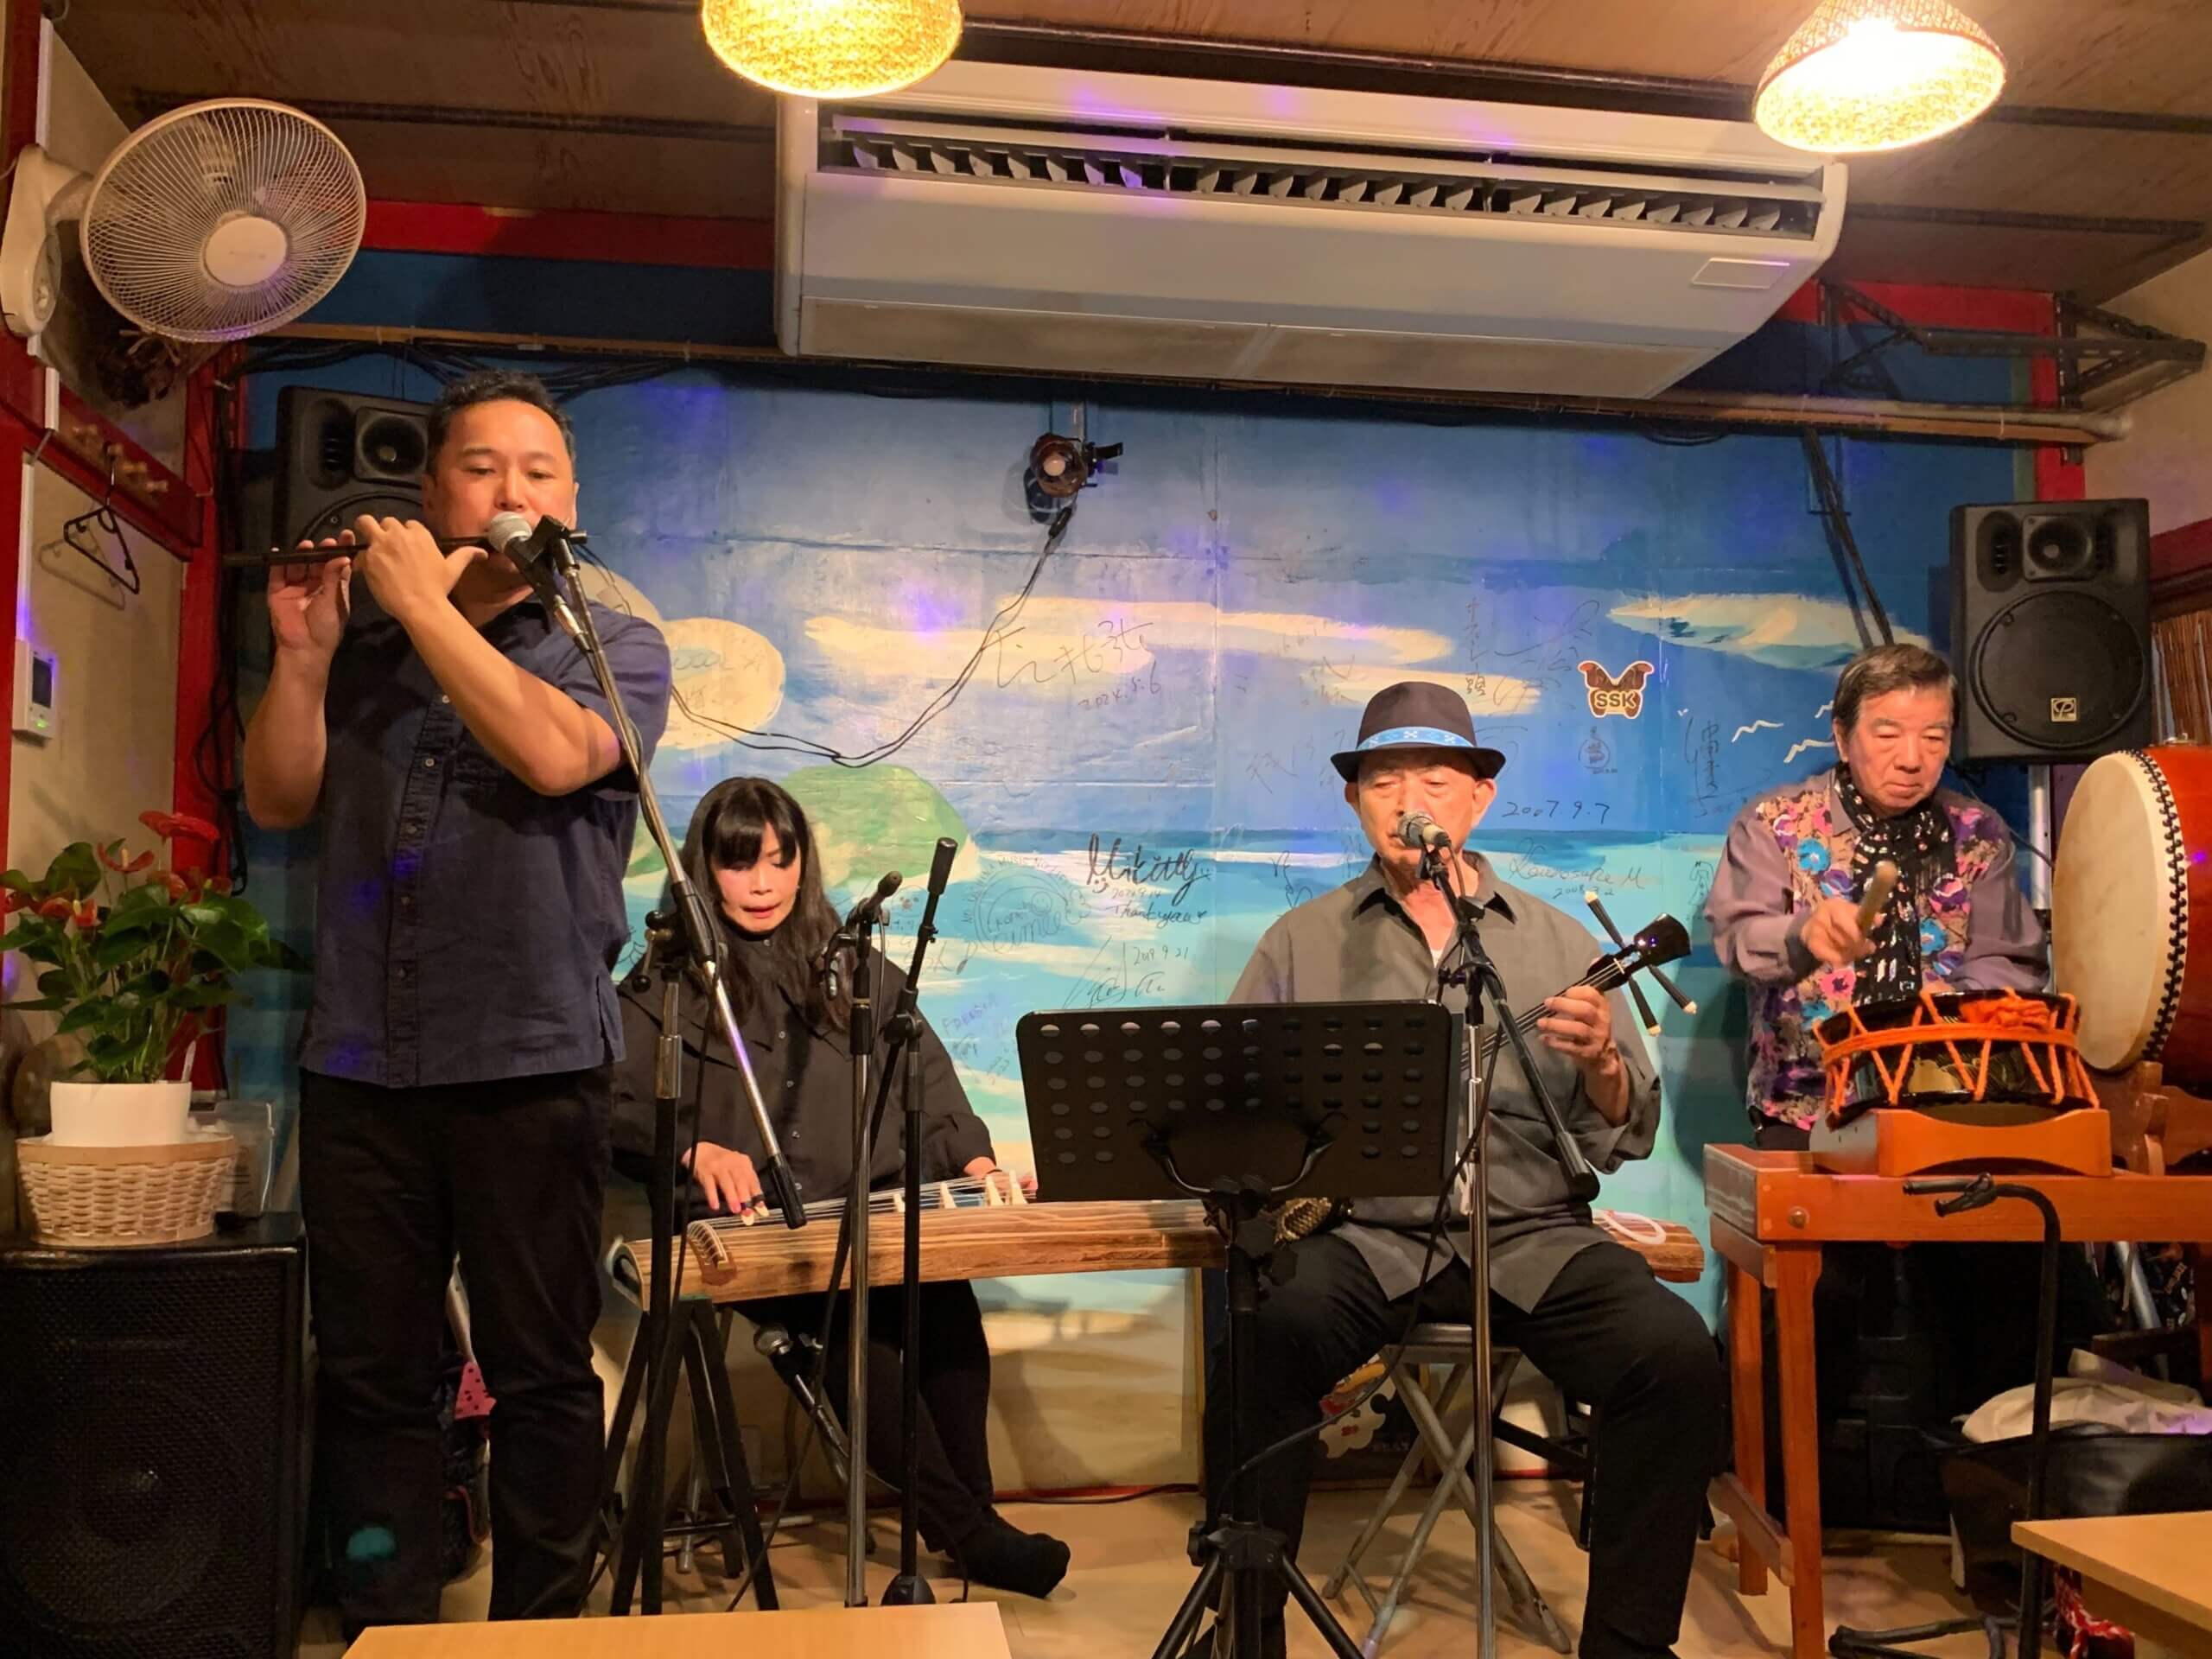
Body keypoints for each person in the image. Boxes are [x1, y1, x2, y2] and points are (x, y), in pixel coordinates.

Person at [244, 370, 674, 1633]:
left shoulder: (613, 646)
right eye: (480, 469)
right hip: (362, 1064)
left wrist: (427, 607)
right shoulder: (365, 644)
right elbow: (276, 798)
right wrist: (305, 658)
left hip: (532, 1067)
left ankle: (541, 1632)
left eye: (538, 472)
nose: (509, 491)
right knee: (372, 1377)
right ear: (433, 493)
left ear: (572, 501)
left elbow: (550, 755)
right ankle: (385, 1619)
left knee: (541, 1373)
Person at [1211, 681, 1723, 1659]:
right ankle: (1249, 1637)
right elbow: (1237, 1110)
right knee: (1262, 1335)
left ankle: (1627, 1646)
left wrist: (1604, 1064)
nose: (1410, 801)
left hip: (1532, 1237)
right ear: (1355, 801)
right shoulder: (1301, 942)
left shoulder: (1556, 940)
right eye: (1384, 781)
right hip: (1366, 1238)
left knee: (1674, 1358)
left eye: (1436, 781)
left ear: (1478, 800)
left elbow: (1625, 1133)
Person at [610, 776, 1071, 1598]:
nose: (763, 884)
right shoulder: (664, 984)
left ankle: (976, 1518)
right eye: (740, 864)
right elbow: (605, 1109)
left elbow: (925, 1075)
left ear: (804, 864)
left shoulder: (853, 968)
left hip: (873, 1217)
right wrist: (691, 1151)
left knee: (947, 1318)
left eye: (780, 861)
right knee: (864, 1350)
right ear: (704, 870)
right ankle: (971, 1536)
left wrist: (974, 1163)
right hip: (760, 1235)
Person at [1705, 642, 2046, 1147]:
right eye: (1888, 735)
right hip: (1807, 1110)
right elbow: (1738, 937)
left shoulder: (1977, 833)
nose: (1912, 760)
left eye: (1934, 737)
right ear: (1843, 739)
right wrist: (1804, 933)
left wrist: (1954, 1004)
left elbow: (2009, 959)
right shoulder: (1776, 824)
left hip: (1950, 1102)